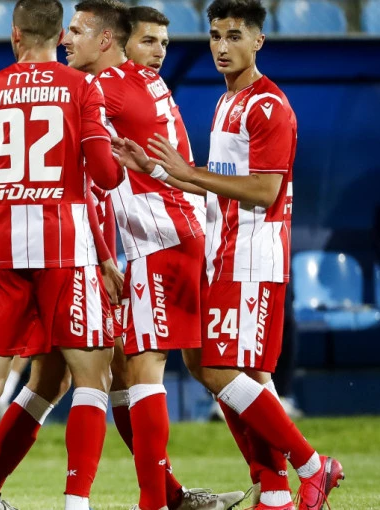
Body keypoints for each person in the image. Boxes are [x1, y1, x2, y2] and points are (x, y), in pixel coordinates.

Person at [0, 4, 243, 509]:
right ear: (123, 41)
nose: (158, 53)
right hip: (91, 247)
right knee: (103, 374)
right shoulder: (98, 89)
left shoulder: (111, 87)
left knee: (63, 377)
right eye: (149, 41)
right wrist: (105, 255)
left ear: (108, 41)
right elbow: (95, 175)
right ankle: (159, 496)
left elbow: (42, 99)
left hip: (95, 244)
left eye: (162, 43)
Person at [120, 0, 344, 508]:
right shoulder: (227, 103)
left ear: (259, 41)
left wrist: (188, 171)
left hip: (253, 258)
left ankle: (313, 465)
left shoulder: (269, 106)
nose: (222, 47)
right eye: (216, 36)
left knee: (219, 371)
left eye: (235, 36)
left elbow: (264, 191)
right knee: (237, 376)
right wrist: (156, 170)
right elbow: (216, 186)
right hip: (223, 254)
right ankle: (275, 492)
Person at [0, 0, 131, 508]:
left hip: (3, 246)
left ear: (15, 35)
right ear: (61, 35)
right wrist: (118, 161)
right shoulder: (81, 87)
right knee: (92, 378)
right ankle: (76, 503)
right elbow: (104, 175)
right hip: (65, 247)